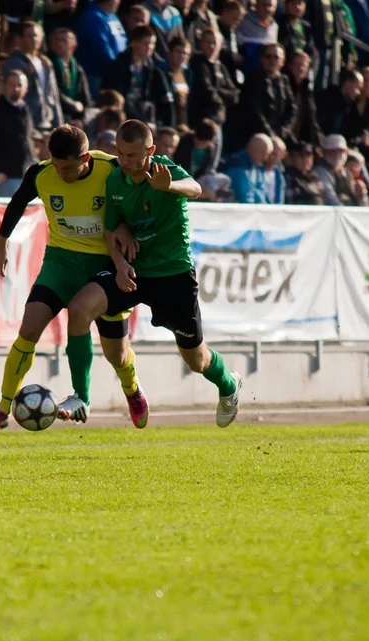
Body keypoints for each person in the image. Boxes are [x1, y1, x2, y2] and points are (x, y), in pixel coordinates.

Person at [0, 125, 148, 438]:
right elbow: (17, 203)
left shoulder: (111, 169)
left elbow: (137, 198)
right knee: (29, 328)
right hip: (61, 263)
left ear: (85, 158)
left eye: (67, 168)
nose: (61, 174)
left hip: (104, 265)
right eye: (56, 166)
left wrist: (124, 226)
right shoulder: (41, 173)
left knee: (117, 355)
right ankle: (1, 408)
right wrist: (1, 243)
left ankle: (131, 388)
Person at [69, 120, 242, 429]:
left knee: (196, 360)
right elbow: (110, 229)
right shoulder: (116, 180)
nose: (125, 161)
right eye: (121, 154)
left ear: (150, 151)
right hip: (133, 271)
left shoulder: (165, 170)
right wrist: (120, 265)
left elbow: (196, 189)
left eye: (133, 155)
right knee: (81, 306)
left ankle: (228, 385)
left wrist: (170, 187)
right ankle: (82, 396)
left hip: (173, 275)